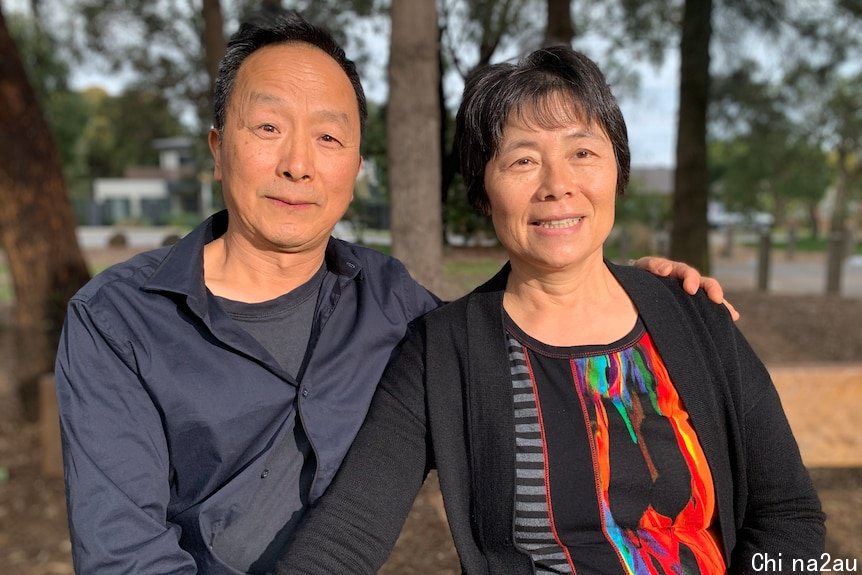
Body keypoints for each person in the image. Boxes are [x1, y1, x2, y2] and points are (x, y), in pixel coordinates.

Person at [54, 13, 730, 575]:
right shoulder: (117, 321)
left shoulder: (393, 306)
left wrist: (617, 281)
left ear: (354, 166)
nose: (298, 162)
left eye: (328, 136)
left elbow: (510, 328)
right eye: (267, 128)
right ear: (216, 146)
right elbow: (125, 556)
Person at [275, 46, 824, 575]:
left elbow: (789, 517)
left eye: (582, 152)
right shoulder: (443, 354)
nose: (557, 185)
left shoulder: (694, 318)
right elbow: (347, 535)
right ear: (484, 192)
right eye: (522, 160)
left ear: (617, 171)